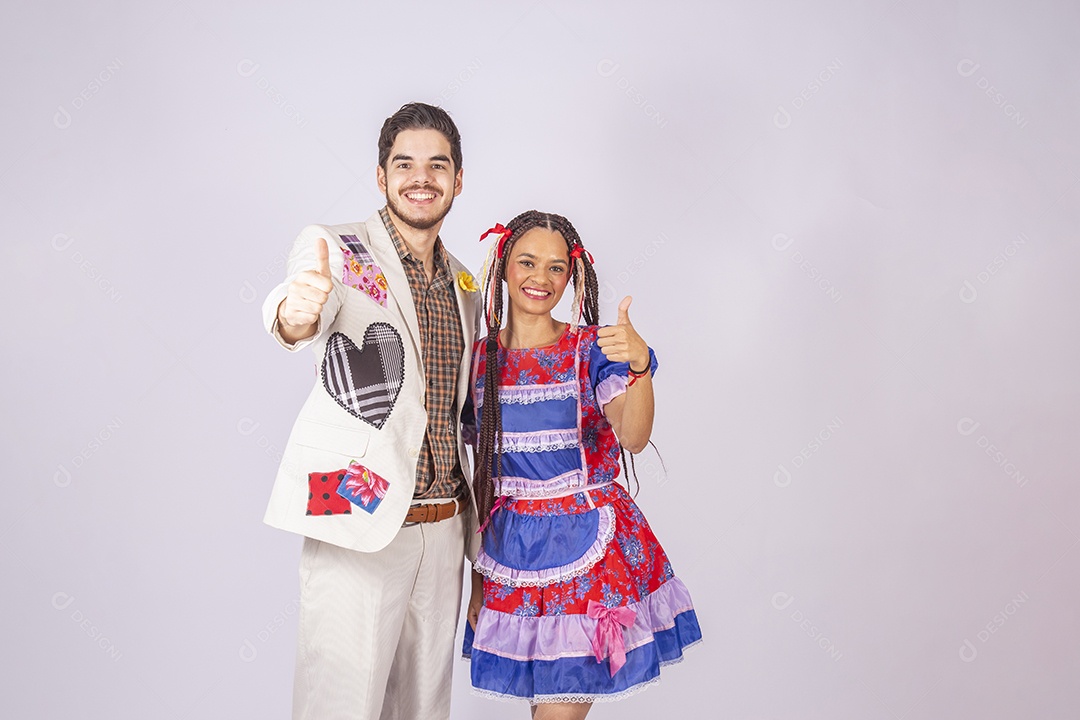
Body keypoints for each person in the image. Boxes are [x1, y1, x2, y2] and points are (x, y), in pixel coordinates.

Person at [261, 102, 482, 720]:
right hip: (355, 520)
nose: (422, 177)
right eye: (404, 163)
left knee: (422, 710)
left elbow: (467, 418)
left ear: (458, 181)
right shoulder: (335, 248)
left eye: (438, 165)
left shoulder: (466, 284)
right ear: (381, 176)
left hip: (443, 533)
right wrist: (295, 313)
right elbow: (298, 307)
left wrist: (477, 548)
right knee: (340, 707)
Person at [461, 211, 701, 718]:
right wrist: (479, 580)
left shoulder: (590, 349)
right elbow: (483, 474)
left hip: (585, 550)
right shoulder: (479, 358)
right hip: (509, 556)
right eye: (527, 262)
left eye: (555, 268)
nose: (540, 279)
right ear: (503, 266)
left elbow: (635, 437)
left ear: (572, 276)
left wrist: (638, 366)